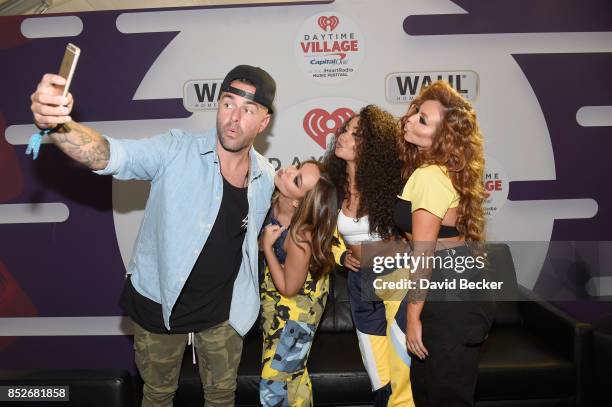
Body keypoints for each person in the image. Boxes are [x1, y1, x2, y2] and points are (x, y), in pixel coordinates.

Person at [30, 65, 277, 407]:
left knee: (221, 397)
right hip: (158, 303)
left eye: (248, 110)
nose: (234, 118)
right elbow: (110, 154)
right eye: (227, 103)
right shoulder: (176, 149)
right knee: (158, 396)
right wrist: (58, 125)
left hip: (224, 313)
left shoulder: (266, 176)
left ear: (263, 122)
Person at [394, 80, 492, 407]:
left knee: (443, 394)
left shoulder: (430, 176)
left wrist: (412, 318)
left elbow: (423, 256)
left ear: (443, 137)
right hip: (455, 288)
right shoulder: (435, 171)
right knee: (432, 390)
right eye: (415, 113)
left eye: (422, 119)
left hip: (448, 296)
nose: (409, 120)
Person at [324, 105, 414, 406]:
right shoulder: (330, 187)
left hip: (397, 280)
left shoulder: (394, 186)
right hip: (360, 285)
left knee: (402, 369)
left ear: (374, 146)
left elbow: (415, 241)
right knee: (378, 373)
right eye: (345, 130)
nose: (343, 136)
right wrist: (340, 256)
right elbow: (321, 235)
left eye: (356, 134)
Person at [259, 160, 338, 407]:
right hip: (276, 298)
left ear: (298, 202)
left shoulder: (301, 237)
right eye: (297, 167)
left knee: (273, 383)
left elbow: (289, 288)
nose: (288, 171)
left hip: (300, 305)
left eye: (297, 179)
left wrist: (267, 248)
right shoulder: (269, 200)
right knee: (291, 378)